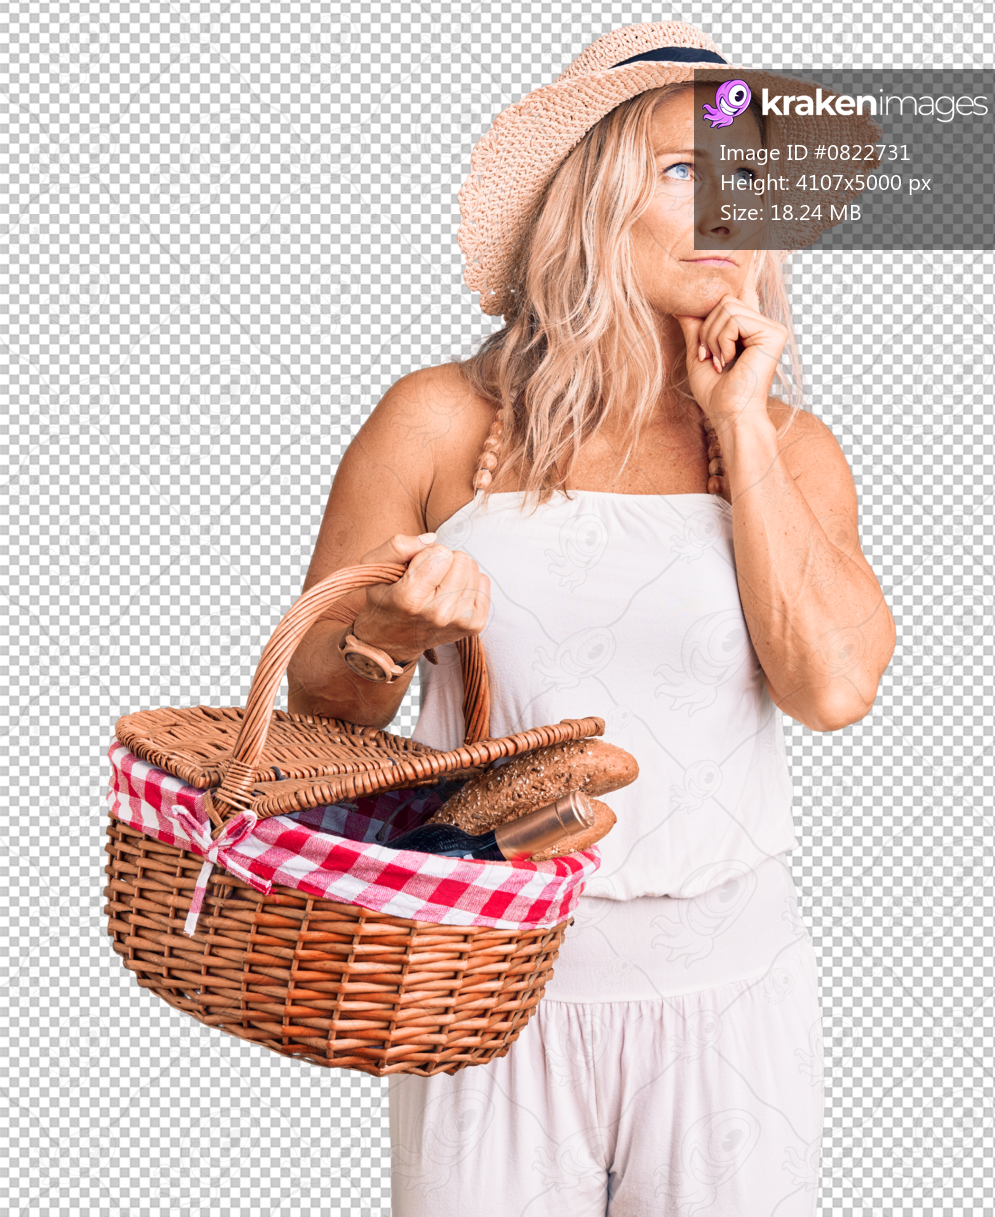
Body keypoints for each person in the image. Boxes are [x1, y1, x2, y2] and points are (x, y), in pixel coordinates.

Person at [286, 21, 896, 1217]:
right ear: (594, 197)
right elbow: (320, 705)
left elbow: (831, 689)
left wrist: (741, 426)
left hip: (732, 989)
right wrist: (398, 633)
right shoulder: (439, 421)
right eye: (688, 170)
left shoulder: (789, 447)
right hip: (490, 973)